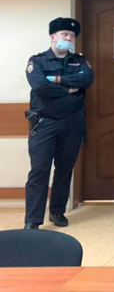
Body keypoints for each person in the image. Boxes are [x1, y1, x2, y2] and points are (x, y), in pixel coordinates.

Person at [24, 17, 93, 229]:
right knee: (39, 171)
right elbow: (39, 86)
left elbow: (86, 80)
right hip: (44, 123)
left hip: (72, 122)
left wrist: (56, 80)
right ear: (53, 37)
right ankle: (33, 220)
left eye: (72, 36)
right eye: (65, 34)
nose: (69, 38)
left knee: (64, 170)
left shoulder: (79, 61)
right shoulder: (38, 61)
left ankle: (57, 212)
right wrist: (69, 89)